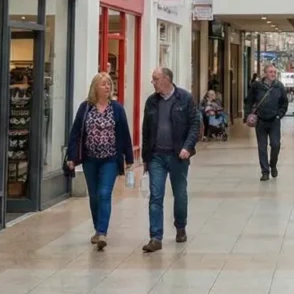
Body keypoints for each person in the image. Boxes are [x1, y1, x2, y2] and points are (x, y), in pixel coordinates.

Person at [65, 72, 134, 251]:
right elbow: (75, 132)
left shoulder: (116, 108)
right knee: (94, 195)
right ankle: (98, 228)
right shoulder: (85, 108)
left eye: (109, 84)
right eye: (103, 84)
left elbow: (124, 133)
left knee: (104, 193)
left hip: (110, 158)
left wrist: (129, 158)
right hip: (89, 159)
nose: (107, 87)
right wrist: (71, 156)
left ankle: (102, 232)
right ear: (95, 87)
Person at [141, 67, 201, 252]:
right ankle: (155, 237)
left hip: (178, 156)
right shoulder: (151, 101)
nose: (153, 82)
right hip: (156, 156)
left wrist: (187, 147)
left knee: (180, 194)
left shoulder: (185, 98)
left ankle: (180, 226)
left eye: (155, 79)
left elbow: (195, 125)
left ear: (166, 79)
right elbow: (146, 130)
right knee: (155, 195)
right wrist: (145, 158)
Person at [246, 62, 289, 181]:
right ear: (265, 74)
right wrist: (248, 114)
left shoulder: (279, 86)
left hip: (274, 121)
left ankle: (273, 164)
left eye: (274, 72)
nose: (273, 74)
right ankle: (265, 171)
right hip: (260, 121)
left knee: (276, 145)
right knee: (262, 147)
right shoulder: (256, 86)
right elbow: (249, 101)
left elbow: (284, 103)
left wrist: (279, 115)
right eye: (270, 72)